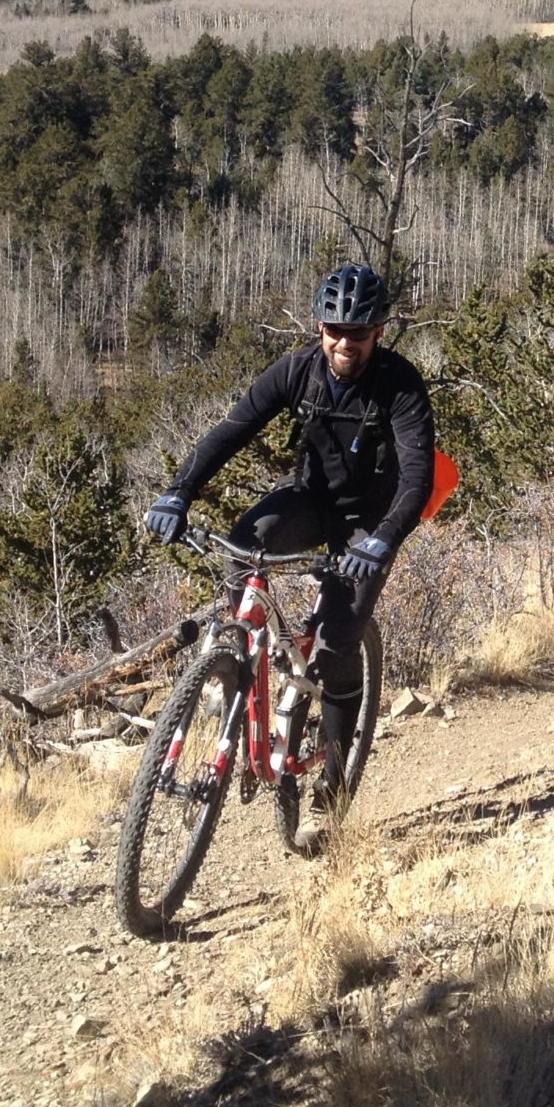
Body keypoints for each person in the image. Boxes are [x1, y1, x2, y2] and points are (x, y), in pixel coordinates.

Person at [141, 262, 433, 851]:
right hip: (310, 501)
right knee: (245, 543)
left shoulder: (400, 385)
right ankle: (239, 656)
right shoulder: (297, 371)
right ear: (320, 327)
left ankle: (333, 783)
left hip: (368, 522)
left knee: (336, 641)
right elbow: (230, 431)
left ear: (378, 331)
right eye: (334, 329)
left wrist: (383, 540)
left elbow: (418, 478)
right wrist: (178, 491)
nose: (344, 342)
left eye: (358, 332)